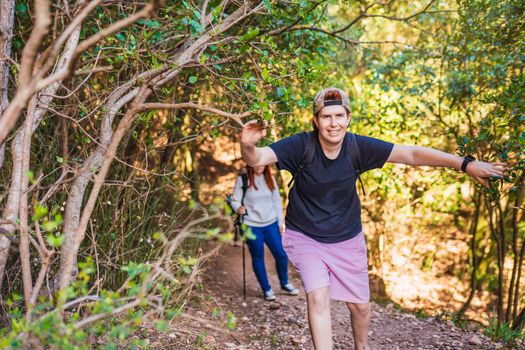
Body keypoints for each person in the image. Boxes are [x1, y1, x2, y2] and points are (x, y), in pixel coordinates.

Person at [239, 87, 507, 350]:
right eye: (326, 117)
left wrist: (465, 164)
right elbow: (258, 158)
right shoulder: (301, 145)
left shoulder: (358, 146)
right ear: (316, 121)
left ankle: (362, 345)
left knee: (361, 307)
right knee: (317, 298)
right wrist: (247, 144)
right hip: (306, 236)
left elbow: (411, 154)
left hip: (346, 237)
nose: (333, 124)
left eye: (339, 116)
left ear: (348, 118)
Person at [230, 164, 300, 301]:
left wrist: (281, 222)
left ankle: (284, 283)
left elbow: (276, 201)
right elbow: (235, 200)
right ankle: (266, 289)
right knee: (258, 256)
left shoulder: (270, 178)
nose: (259, 165)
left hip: (271, 223)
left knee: (281, 254)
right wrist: (238, 208)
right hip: (251, 224)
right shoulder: (243, 179)